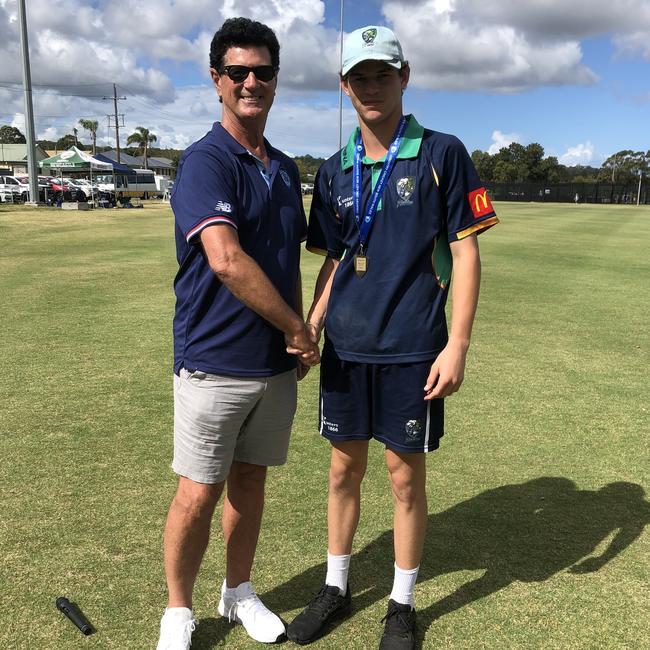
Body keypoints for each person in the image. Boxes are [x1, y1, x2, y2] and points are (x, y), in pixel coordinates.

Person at [286, 25, 499, 649]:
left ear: (404, 77)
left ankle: (402, 604)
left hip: (413, 349)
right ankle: (336, 586)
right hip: (347, 354)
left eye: (383, 74)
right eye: (359, 77)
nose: (371, 87)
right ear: (345, 87)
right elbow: (330, 261)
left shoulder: (442, 153)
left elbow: (465, 253)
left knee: (405, 479)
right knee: (340, 473)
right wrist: (311, 327)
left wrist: (457, 344)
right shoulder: (333, 170)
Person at [156, 17, 319, 650]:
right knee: (198, 492)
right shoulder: (205, 160)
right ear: (217, 80)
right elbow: (226, 260)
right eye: (238, 72)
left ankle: (238, 591)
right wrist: (299, 330)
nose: (251, 82)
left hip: (273, 365)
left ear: (276, 80)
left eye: (263, 72)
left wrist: (297, 337)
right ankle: (177, 609)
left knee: (251, 483)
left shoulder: (281, 166)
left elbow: (285, 261)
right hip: (214, 360)